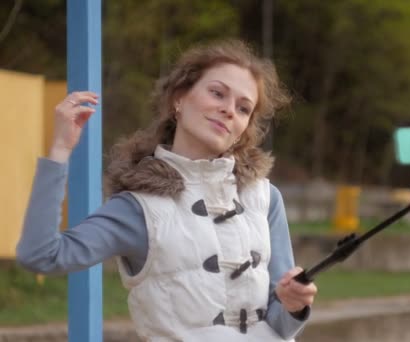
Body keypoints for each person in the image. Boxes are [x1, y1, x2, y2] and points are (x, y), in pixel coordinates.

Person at [16, 39, 317, 341]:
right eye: (217, 93)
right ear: (179, 99)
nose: (228, 110)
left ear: (244, 128)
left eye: (243, 108)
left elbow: (280, 325)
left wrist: (293, 305)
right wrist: (59, 149)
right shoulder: (137, 208)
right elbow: (42, 255)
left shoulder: (265, 198)